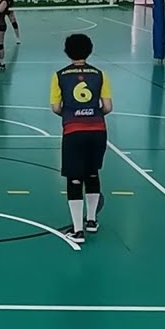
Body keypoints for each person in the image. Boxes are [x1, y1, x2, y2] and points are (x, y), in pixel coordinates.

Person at [50, 33, 112, 245]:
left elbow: (56, 108)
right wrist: (92, 113)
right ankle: (92, 221)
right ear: (90, 50)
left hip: (73, 131)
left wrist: (71, 114)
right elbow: (108, 107)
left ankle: (77, 230)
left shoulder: (59, 76)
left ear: (67, 52)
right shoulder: (100, 74)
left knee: (74, 178)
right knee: (92, 173)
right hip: (98, 130)